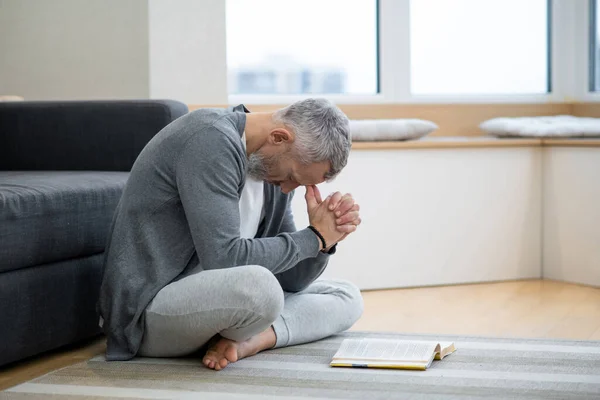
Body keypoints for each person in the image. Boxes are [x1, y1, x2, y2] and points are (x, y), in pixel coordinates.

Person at [98, 98, 364, 370]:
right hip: (150, 311)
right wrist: (313, 238)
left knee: (347, 295)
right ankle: (254, 331)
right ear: (279, 137)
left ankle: (254, 339)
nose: (288, 189)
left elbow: (292, 281)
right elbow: (224, 259)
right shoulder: (211, 140)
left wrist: (324, 243)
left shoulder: (269, 172)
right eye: (293, 176)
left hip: (222, 304)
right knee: (262, 288)